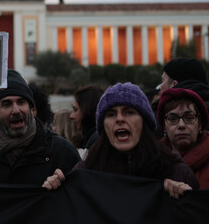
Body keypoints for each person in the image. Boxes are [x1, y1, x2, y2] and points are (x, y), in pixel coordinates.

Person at [43, 82, 199, 199]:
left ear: (144, 122)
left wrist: (188, 200)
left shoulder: (177, 173)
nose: (119, 119)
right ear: (103, 126)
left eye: (129, 112)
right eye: (111, 114)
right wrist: (54, 192)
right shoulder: (83, 173)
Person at [0, 69, 80, 185]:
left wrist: (61, 187)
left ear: (31, 109)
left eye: (21, 102)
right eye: (7, 104)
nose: (16, 110)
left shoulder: (61, 151)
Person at [157, 88, 209, 189]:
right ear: (164, 126)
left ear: (200, 124)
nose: (181, 125)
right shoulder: (151, 160)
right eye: (172, 119)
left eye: (189, 118)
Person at [69, 86, 104, 154]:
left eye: (75, 110)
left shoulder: (97, 140)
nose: (71, 116)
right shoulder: (86, 138)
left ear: (88, 110)